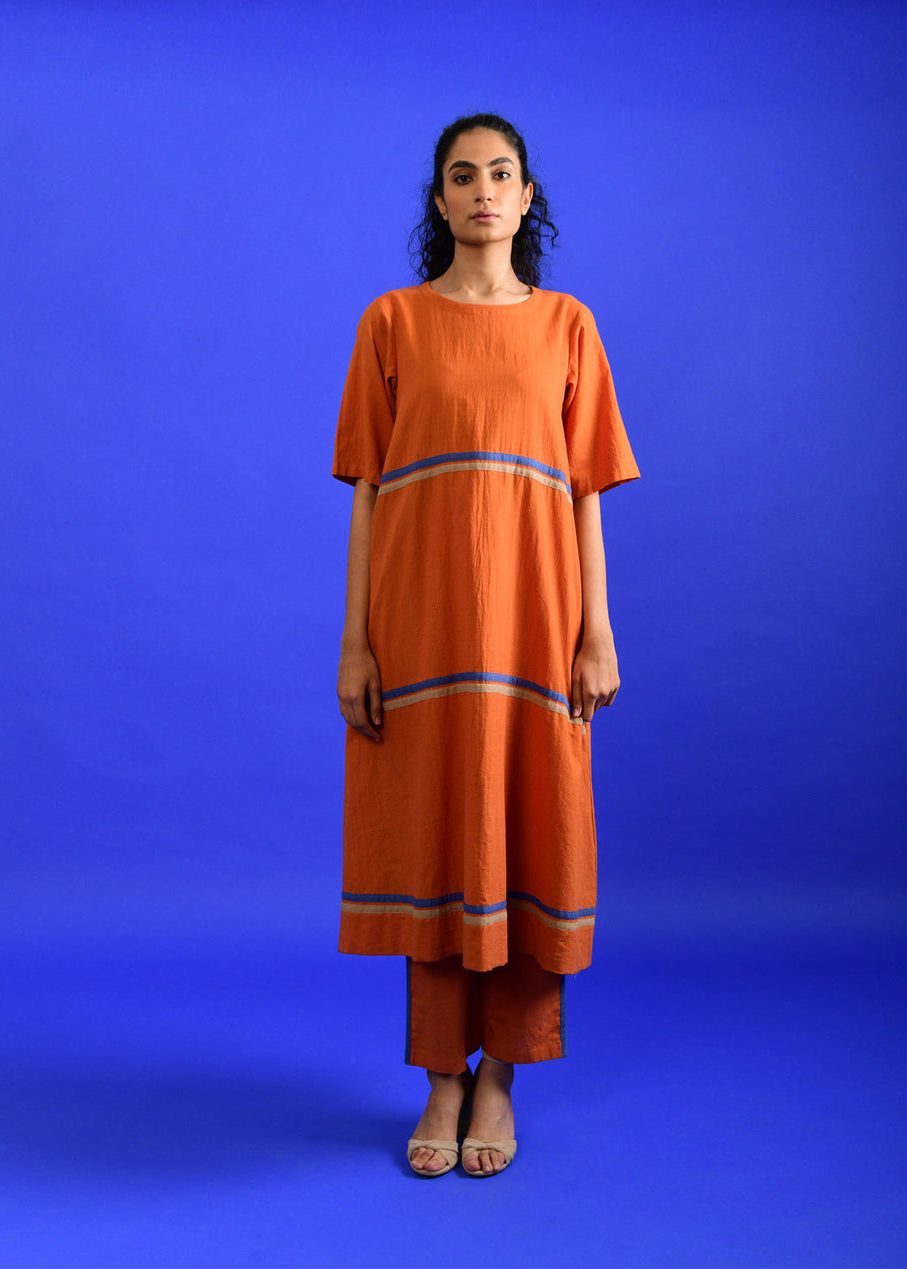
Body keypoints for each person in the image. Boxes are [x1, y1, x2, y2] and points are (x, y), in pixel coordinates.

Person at [333, 113, 639, 1178]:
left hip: (536, 627)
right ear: (439, 200)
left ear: (525, 195)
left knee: (529, 830)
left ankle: (501, 1076)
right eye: (461, 176)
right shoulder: (391, 322)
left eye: (500, 174)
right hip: (419, 632)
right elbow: (367, 494)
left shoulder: (567, 325)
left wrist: (597, 631)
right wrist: (356, 644)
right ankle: (442, 1076)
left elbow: (587, 491)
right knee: (433, 838)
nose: (482, 191)